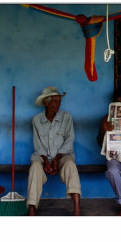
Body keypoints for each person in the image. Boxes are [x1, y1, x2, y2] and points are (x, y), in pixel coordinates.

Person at [27, 86, 82, 216]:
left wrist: (56, 159)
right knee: (35, 166)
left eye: (59, 101)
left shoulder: (66, 117)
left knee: (70, 164)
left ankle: (77, 208)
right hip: (42, 156)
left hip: (62, 155)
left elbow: (69, 141)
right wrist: (46, 160)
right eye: (55, 101)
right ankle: (31, 208)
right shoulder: (36, 120)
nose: (58, 105)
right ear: (46, 103)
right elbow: (37, 144)